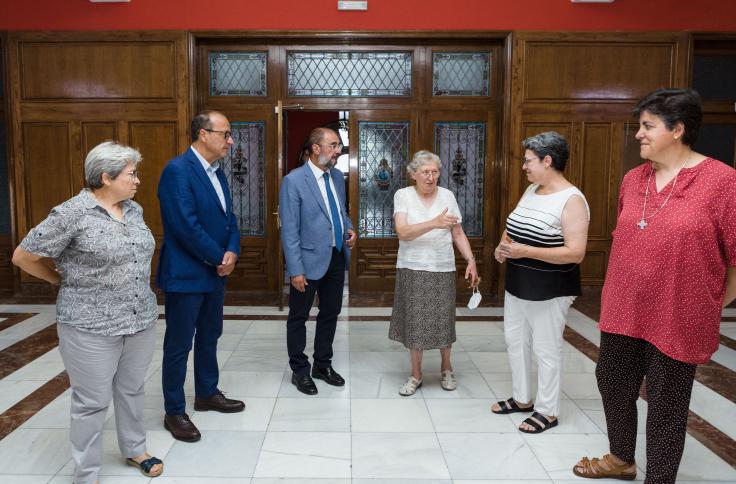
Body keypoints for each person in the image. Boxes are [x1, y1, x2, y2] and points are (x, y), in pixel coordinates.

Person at [573, 89, 736, 482]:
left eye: (647, 126)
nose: (638, 135)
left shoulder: (722, 181)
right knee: (612, 382)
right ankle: (621, 458)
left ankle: (659, 478)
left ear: (678, 129)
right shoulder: (633, 179)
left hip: (679, 315)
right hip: (623, 309)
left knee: (667, 404)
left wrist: (711, 301)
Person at [12, 141, 163, 483]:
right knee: (91, 401)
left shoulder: (134, 210)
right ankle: (87, 472)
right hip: (89, 324)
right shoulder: (71, 213)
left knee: (132, 389)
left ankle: (135, 449)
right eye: (131, 174)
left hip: (139, 319)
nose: (138, 180)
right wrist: (57, 281)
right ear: (106, 177)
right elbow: (24, 256)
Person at [491, 132, 589, 433]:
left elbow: (575, 253)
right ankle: (522, 399)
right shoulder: (532, 189)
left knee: (546, 350)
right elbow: (515, 225)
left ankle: (547, 411)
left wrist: (525, 251)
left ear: (548, 161)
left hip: (550, 289)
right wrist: (502, 245)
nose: (524, 166)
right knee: (515, 342)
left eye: (529, 161)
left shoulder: (572, 200)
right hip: (518, 282)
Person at [158, 110, 244, 443]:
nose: (230, 140)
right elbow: (183, 225)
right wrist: (217, 257)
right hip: (186, 273)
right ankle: (174, 410)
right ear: (203, 134)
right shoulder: (177, 171)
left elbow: (229, 219)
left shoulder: (217, 173)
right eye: (225, 133)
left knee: (210, 335)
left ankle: (207, 393)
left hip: (215, 272)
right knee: (179, 344)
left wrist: (232, 251)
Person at [389, 150, 479, 396]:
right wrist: (434, 223)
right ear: (413, 174)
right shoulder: (403, 195)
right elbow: (403, 232)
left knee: (443, 320)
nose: (430, 177)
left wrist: (470, 260)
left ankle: (446, 368)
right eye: (425, 172)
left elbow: (457, 233)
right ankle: (416, 374)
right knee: (415, 322)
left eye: (435, 172)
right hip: (413, 267)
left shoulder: (447, 196)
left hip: (442, 267)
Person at [279, 127, 357, 395]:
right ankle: (300, 370)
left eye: (339, 146)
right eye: (334, 145)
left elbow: (340, 211)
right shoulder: (294, 180)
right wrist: (295, 270)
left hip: (335, 257)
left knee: (330, 313)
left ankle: (322, 365)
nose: (339, 151)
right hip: (307, 261)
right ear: (316, 148)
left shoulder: (336, 176)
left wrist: (349, 228)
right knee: (298, 316)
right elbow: (289, 229)